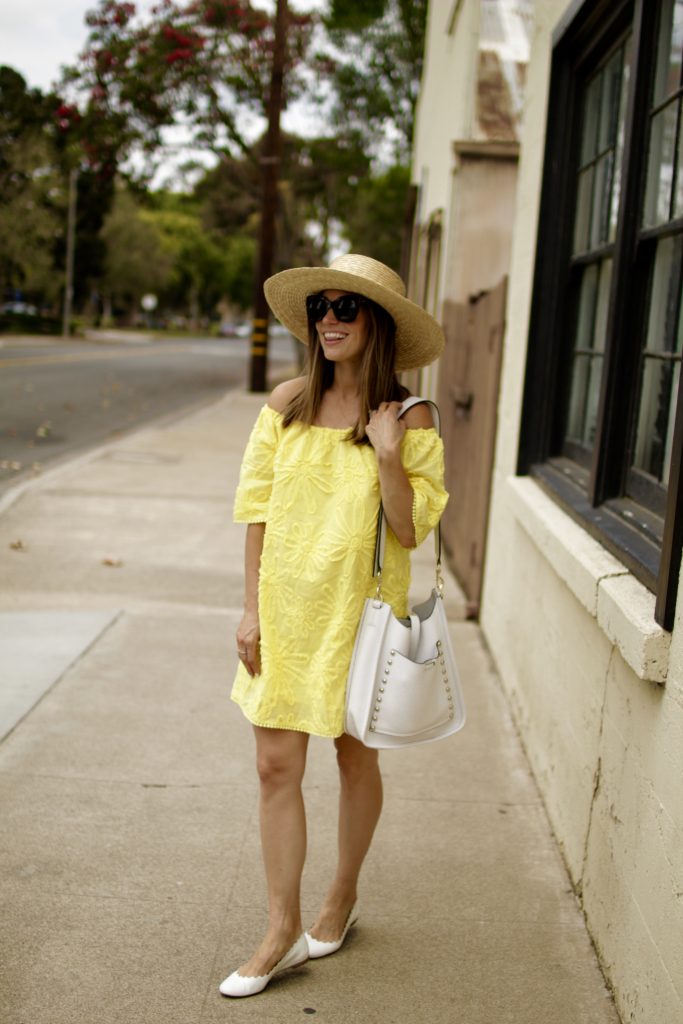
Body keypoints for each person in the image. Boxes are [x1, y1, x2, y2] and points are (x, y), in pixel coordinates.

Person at [219, 253, 448, 998]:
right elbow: (255, 513)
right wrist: (250, 609)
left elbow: (409, 531)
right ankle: (280, 928)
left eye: (344, 309)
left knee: (354, 760)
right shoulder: (284, 404)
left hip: (361, 617)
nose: (327, 320)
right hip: (285, 611)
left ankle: (340, 896)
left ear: (376, 324)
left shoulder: (409, 418)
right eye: (320, 306)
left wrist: (387, 457)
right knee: (273, 767)